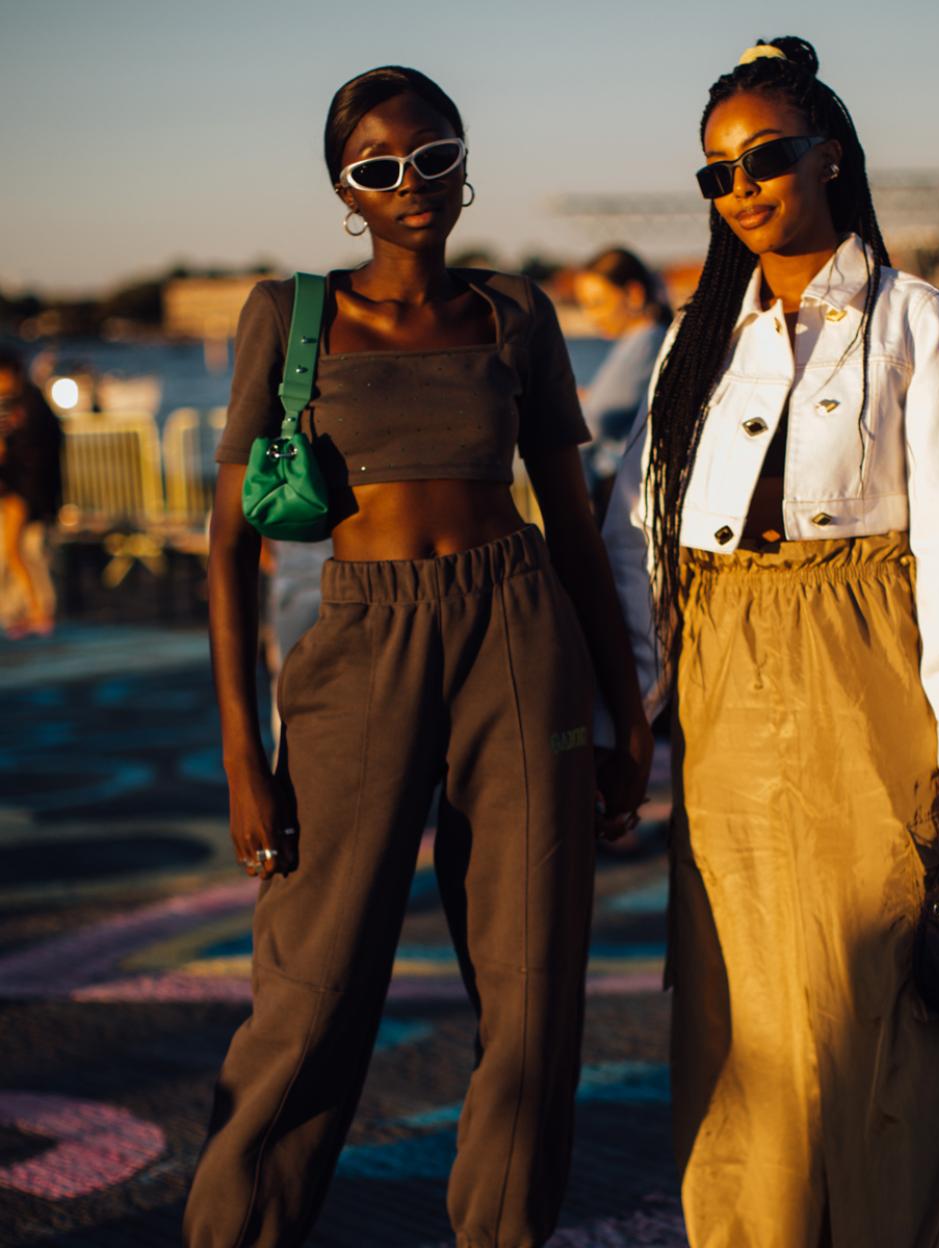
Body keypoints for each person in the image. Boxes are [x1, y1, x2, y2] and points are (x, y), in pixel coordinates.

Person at [183, 65, 652, 1248]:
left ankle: (501, 1232)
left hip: (518, 633)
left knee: (534, 985)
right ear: (345, 188)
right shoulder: (288, 319)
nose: (412, 187)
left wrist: (624, 705)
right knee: (313, 986)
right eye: (379, 169)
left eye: (433, 158)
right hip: (360, 648)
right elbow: (228, 546)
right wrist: (245, 753)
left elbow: (570, 518)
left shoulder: (514, 315)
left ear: (460, 160)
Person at [602, 37, 939, 1248]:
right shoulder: (698, 345)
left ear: (830, 152)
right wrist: (637, 712)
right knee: (741, 1002)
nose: (743, 188)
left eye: (767, 157)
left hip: (865, 669)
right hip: (725, 690)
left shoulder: (915, 323)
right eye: (718, 173)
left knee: (880, 986)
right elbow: (653, 545)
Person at [572, 248, 670, 516]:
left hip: (621, 491)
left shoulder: (645, 341)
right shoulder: (645, 340)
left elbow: (593, 422)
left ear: (634, 294)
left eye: (597, 303)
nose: (592, 316)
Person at [0, 348, 62, 638]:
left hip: (25, 492)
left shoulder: (28, 404)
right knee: (22, 551)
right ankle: (31, 610)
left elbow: (28, 454)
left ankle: (36, 609)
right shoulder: (21, 402)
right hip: (25, 491)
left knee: (18, 550)